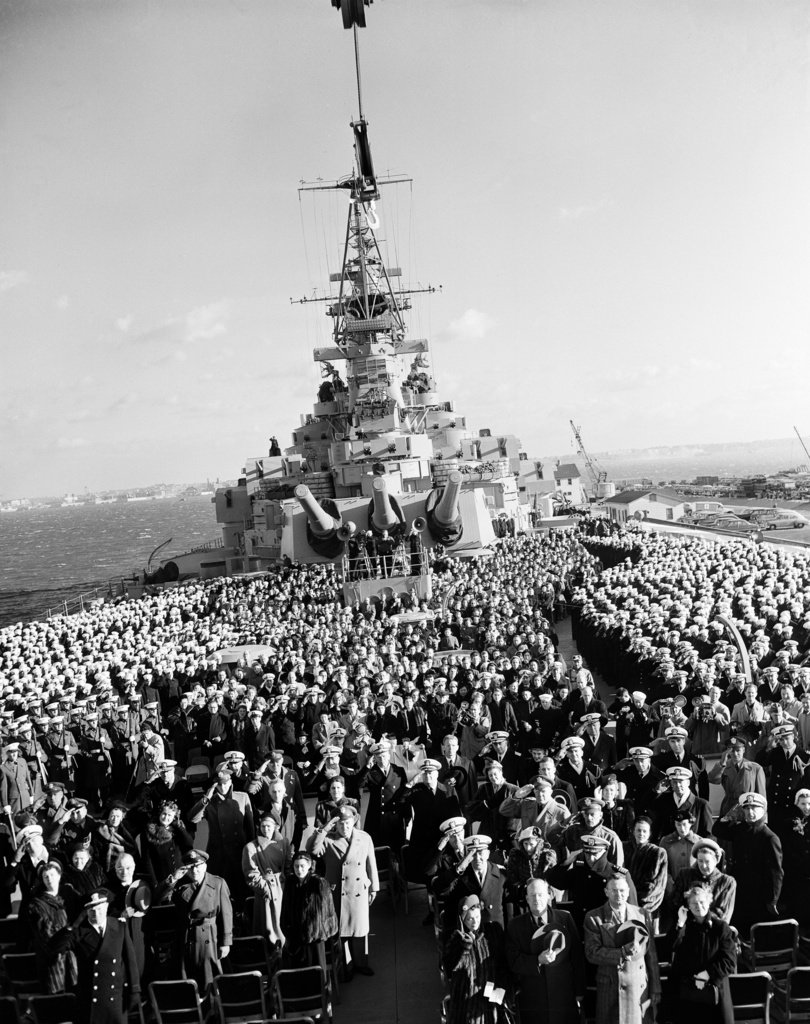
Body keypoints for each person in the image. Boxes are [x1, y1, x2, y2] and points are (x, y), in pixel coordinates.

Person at [307, 803, 379, 977]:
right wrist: (324, 829)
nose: (344, 827)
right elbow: (311, 849)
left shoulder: (364, 837)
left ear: (354, 821)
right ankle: (345, 967)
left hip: (359, 889)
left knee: (359, 929)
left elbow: (371, 863)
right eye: (340, 824)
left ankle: (361, 963)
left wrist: (374, 888)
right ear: (335, 825)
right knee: (341, 932)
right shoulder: (329, 839)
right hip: (337, 891)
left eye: (347, 823)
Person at [49, 888, 140, 1024]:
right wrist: (71, 926)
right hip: (90, 1001)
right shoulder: (79, 932)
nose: (96, 913)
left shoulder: (119, 926)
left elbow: (130, 960)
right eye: (91, 910)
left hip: (115, 1000)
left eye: (99, 908)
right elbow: (54, 948)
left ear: (106, 907)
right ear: (86, 911)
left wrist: (134, 990)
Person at [504, 877, 585, 1024]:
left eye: (540, 894)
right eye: (532, 895)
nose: (537, 899)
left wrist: (579, 992)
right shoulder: (515, 925)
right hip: (533, 998)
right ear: (527, 899)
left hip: (563, 994)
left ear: (549, 895)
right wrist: (537, 961)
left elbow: (577, 957)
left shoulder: (564, 918)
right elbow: (513, 960)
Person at [583, 873, 660, 1024]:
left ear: (628, 892)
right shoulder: (594, 917)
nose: (619, 895)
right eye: (614, 890)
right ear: (606, 892)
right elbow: (592, 953)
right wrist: (622, 953)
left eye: (622, 891)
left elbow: (651, 955)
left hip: (637, 987)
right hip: (610, 988)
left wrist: (655, 987)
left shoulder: (642, 914)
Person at [158, 848, 233, 995]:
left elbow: (226, 914)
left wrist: (226, 942)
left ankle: (212, 1009)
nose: (195, 871)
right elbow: (159, 898)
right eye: (190, 868)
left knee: (211, 980)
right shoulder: (179, 884)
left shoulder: (218, 883)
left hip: (210, 937)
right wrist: (173, 878)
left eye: (198, 866)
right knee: (187, 981)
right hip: (186, 936)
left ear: (205, 865)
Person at [712, 791, 783, 936]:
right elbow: (717, 830)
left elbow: (776, 872)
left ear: (763, 810)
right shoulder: (740, 829)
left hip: (758, 892)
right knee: (740, 928)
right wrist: (729, 815)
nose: (750, 812)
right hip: (740, 888)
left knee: (758, 932)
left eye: (754, 808)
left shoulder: (769, 837)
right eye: (747, 808)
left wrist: (773, 900)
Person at [663, 884, 737, 1024]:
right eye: (694, 903)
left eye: (702, 902)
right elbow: (669, 947)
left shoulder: (721, 928)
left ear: (709, 902)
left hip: (712, 990)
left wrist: (708, 973)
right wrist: (680, 923)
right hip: (686, 992)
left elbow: (729, 961)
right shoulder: (684, 925)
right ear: (688, 906)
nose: (698, 906)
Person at [189, 765, 254, 903]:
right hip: (219, 853)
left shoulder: (242, 797)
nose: (223, 787)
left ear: (230, 782)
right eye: (219, 785)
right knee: (220, 894)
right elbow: (192, 818)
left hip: (239, 852)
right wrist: (206, 797)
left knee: (241, 891)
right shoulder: (209, 803)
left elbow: (250, 828)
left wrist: (252, 853)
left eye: (225, 783)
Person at [441, 893, 509, 1024]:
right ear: (462, 919)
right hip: (467, 1003)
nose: (475, 922)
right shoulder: (454, 937)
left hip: (491, 1001)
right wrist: (463, 946)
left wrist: (501, 986)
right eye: (470, 919)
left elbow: (503, 962)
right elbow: (450, 966)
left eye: (477, 917)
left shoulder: (493, 931)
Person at [279, 850, 339, 968]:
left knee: (316, 972)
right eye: (296, 866)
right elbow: (285, 908)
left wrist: (312, 932)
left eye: (302, 866)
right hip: (295, 936)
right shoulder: (290, 882)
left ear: (309, 866)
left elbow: (326, 912)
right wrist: (287, 930)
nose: (299, 869)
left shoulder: (319, 883)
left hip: (314, 939)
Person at [242, 811, 292, 948]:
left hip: (282, 889)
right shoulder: (251, 847)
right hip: (267, 893)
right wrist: (266, 890)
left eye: (269, 826)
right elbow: (251, 875)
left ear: (276, 826)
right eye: (263, 826)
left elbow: (288, 866)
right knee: (269, 929)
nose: (266, 829)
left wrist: (287, 885)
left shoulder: (284, 843)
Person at [28, 859, 79, 993]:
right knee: (57, 998)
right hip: (53, 959)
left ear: (59, 876)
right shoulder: (37, 903)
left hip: (73, 955)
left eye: (52, 874)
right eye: (46, 876)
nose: (49, 878)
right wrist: (68, 935)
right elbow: (45, 932)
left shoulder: (69, 895)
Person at [669, 838, 736, 925]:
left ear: (715, 861)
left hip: (713, 930)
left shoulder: (727, 882)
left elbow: (724, 914)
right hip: (687, 927)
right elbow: (674, 902)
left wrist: (702, 920)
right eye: (700, 861)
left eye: (707, 862)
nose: (703, 866)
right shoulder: (685, 875)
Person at [142, 800, 194, 886]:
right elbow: (147, 861)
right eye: (164, 814)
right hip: (163, 879)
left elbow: (189, 844)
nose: (166, 817)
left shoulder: (178, 830)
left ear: (174, 817)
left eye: (169, 815)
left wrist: (179, 827)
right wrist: (154, 883)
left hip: (182, 878)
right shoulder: (149, 833)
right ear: (159, 814)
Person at [781, 787, 810, 926]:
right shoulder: (788, 823)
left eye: (809, 803)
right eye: (803, 803)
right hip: (796, 871)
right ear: (797, 804)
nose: (807, 807)